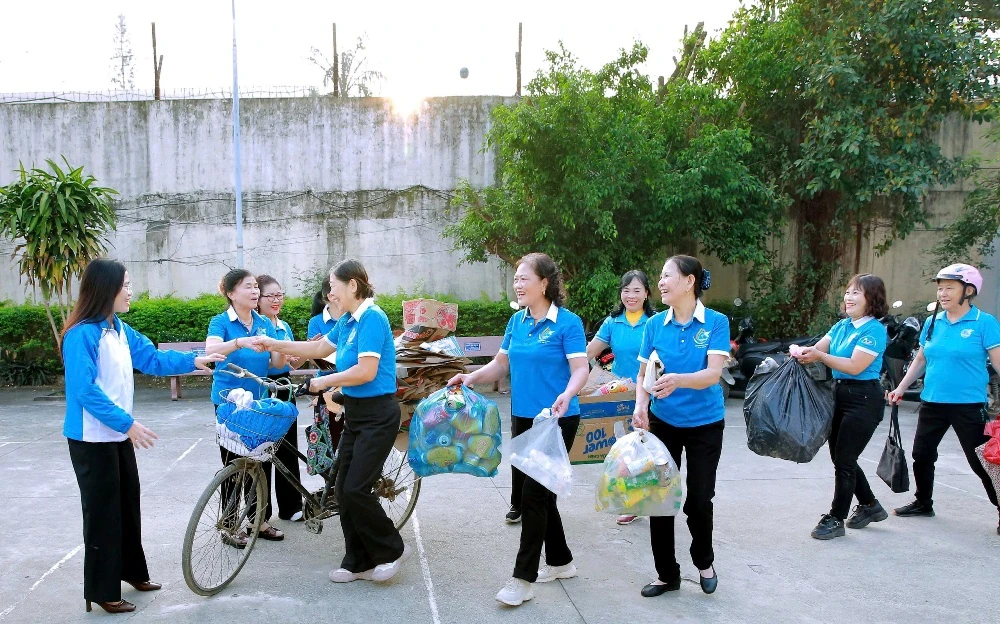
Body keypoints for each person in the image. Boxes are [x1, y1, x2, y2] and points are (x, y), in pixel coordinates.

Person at [62, 259, 222, 614]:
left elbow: (151, 358)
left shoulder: (119, 329)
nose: (131, 292)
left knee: (127, 506)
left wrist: (195, 360)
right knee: (103, 514)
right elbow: (84, 391)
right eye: (126, 285)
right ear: (106, 289)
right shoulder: (82, 334)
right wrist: (127, 424)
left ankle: (132, 572)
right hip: (91, 439)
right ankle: (101, 590)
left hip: (116, 435)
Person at [254, 259, 411, 583]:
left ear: (352, 285)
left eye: (334, 285)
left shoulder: (371, 318)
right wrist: (272, 343)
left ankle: (391, 549)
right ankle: (358, 561)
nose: (330, 292)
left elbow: (366, 372)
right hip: (356, 414)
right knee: (342, 488)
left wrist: (323, 382)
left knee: (355, 488)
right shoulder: (349, 321)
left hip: (379, 416)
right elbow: (317, 347)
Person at [449, 252, 589, 607]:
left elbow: (580, 369)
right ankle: (561, 562)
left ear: (545, 283)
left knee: (533, 498)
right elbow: (500, 365)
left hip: (556, 419)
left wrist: (567, 394)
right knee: (542, 495)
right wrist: (471, 377)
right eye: (515, 279)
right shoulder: (517, 322)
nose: (518, 284)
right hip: (524, 417)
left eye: (524, 278)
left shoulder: (567, 323)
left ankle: (522, 579)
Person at [633, 255, 729, 597]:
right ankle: (666, 574)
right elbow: (644, 374)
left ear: (689, 281)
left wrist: (678, 380)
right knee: (660, 498)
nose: (660, 282)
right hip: (664, 422)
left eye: (666, 276)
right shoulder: (654, 324)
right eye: (659, 276)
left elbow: (713, 374)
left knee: (699, 500)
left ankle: (704, 561)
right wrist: (641, 407)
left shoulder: (715, 322)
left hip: (705, 424)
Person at [888, 263, 1000, 535]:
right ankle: (923, 502)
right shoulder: (932, 321)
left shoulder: (984, 323)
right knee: (922, 455)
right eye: (940, 288)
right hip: (933, 402)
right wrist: (901, 387)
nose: (943, 293)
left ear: (969, 290)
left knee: (981, 461)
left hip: (969, 406)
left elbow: (998, 362)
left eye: (950, 288)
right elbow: (922, 359)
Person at [791, 274, 890, 540]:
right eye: (847, 292)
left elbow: (855, 366)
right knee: (841, 457)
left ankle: (836, 517)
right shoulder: (841, 327)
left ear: (872, 299)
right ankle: (870, 505)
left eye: (856, 293)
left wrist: (820, 356)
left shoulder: (874, 330)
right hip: (839, 394)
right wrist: (801, 351)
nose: (849, 297)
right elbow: (818, 348)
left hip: (864, 399)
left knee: (845, 460)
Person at [205, 269, 288, 546]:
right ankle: (228, 526)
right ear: (230, 293)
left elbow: (277, 364)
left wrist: (278, 341)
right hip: (229, 403)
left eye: (255, 287)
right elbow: (211, 351)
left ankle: (259, 521)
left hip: (258, 402)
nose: (254, 292)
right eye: (247, 287)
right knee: (233, 464)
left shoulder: (264, 322)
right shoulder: (221, 322)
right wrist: (240, 342)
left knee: (261, 461)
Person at [586, 269, 655, 526]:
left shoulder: (656, 322)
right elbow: (591, 351)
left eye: (637, 290)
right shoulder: (613, 322)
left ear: (647, 293)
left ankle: (648, 498)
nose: (631, 295)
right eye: (626, 290)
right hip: (619, 394)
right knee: (626, 452)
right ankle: (633, 501)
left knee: (647, 450)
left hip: (650, 394)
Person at [256, 275, 304, 522]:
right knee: (263, 451)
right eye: (270, 296)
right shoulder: (259, 327)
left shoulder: (283, 326)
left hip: (285, 387)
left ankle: (292, 506)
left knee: (288, 448)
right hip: (266, 389)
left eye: (279, 295)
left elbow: (291, 364)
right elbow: (271, 362)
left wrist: (306, 350)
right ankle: (261, 513)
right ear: (258, 299)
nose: (276, 300)